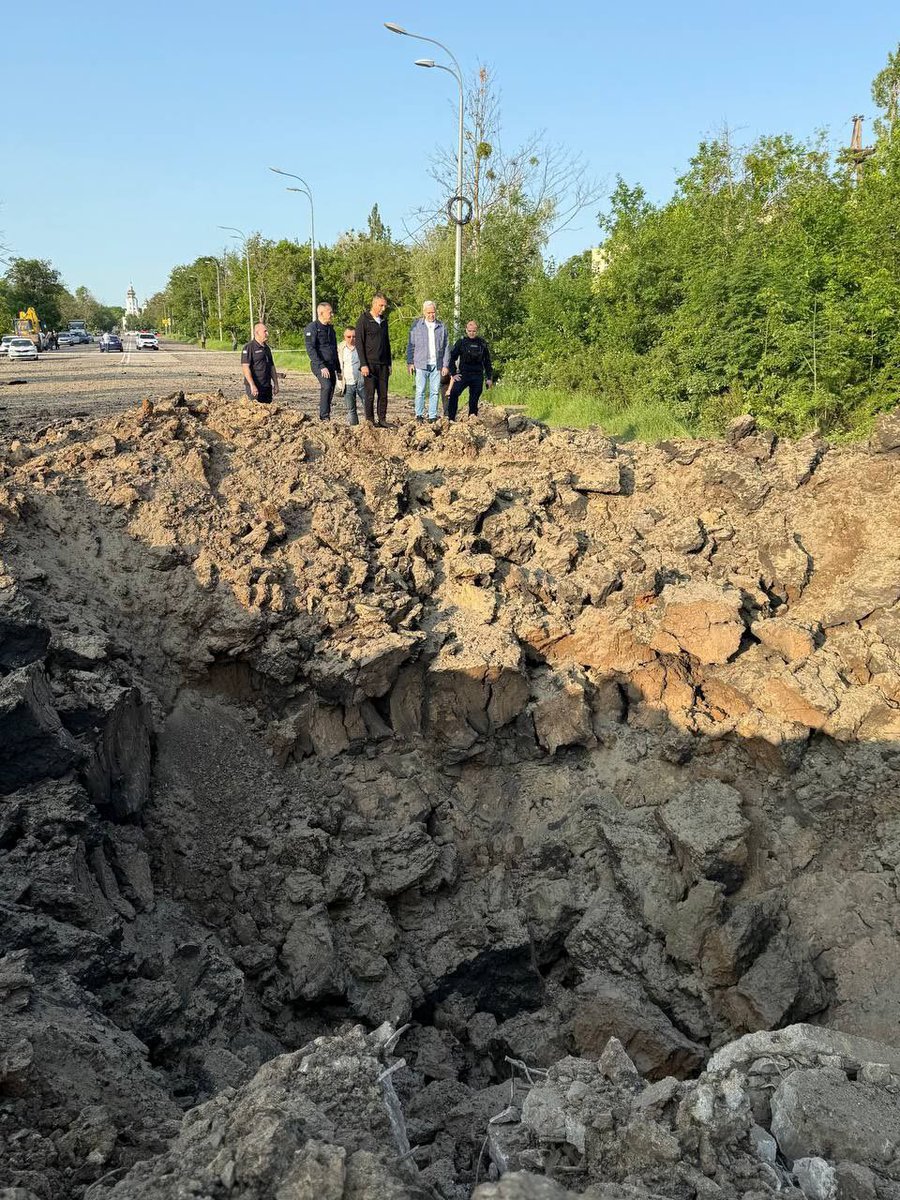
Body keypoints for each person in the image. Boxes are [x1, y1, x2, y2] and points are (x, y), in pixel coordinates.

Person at [406, 300, 450, 423]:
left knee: (434, 391)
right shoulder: (416, 326)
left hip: (436, 364)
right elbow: (410, 345)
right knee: (420, 390)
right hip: (421, 363)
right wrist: (410, 362)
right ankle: (419, 414)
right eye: (429, 312)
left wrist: (445, 365)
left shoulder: (442, 327)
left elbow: (446, 347)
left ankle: (432, 416)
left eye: (433, 312)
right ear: (424, 312)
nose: (431, 315)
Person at [354, 292, 392, 426]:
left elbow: (387, 343)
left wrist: (389, 363)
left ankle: (382, 419)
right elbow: (359, 343)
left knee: (383, 394)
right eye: (381, 305)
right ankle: (369, 420)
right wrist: (363, 364)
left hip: (383, 364)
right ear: (375, 304)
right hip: (369, 364)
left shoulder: (384, 321)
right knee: (370, 395)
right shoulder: (363, 320)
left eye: (385, 306)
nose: (383, 308)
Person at [446, 320, 493, 419]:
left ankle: (472, 421)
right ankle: (451, 418)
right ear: (466, 330)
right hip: (464, 374)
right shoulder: (461, 342)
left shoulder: (482, 343)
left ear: (477, 331)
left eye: (474, 331)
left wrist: (489, 378)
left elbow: (487, 361)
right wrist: (453, 373)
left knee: (474, 400)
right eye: (470, 331)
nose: (472, 333)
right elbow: (452, 358)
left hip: (477, 375)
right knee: (454, 393)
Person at [304, 302, 341, 421]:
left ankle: (326, 413)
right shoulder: (312, 328)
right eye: (329, 312)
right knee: (326, 385)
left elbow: (334, 350)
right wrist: (321, 366)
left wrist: (339, 369)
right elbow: (311, 349)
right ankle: (324, 417)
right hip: (319, 365)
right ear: (321, 313)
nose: (332, 314)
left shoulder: (331, 329)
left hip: (331, 365)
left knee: (331, 388)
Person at [240, 321, 279, 404]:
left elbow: (271, 366)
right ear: (257, 333)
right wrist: (252, 385)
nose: (267, 333)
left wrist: (276, 383)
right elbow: (245, 367)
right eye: (265, 331)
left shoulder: (267, 348)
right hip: (255, 387)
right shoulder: (249, 347)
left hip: (266, 387)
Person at [336, 327, 362, 426]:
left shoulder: (361, 346)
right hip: (347, 382)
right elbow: (338, 366)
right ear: (344, 337)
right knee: (351, 409)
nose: (352, 339)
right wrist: (339, 381)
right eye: (349, 336)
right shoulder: (340, 348)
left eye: (354, 336)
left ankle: (370, 427)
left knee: (367, 405)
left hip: (361, 380)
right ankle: (354, 428)